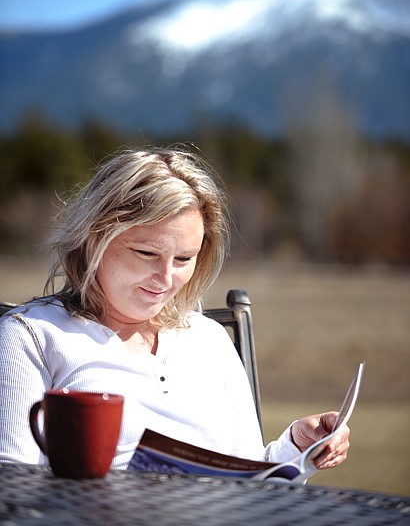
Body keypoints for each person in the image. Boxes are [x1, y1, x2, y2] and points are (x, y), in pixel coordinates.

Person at [0, 147, 349, 475]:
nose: (165, 279)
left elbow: (248, 475)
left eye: (183, 259)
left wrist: (295, 449)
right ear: (95, 238)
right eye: (147, 253)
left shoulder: (208, 339)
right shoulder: (34, 335)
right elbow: (12, 485)